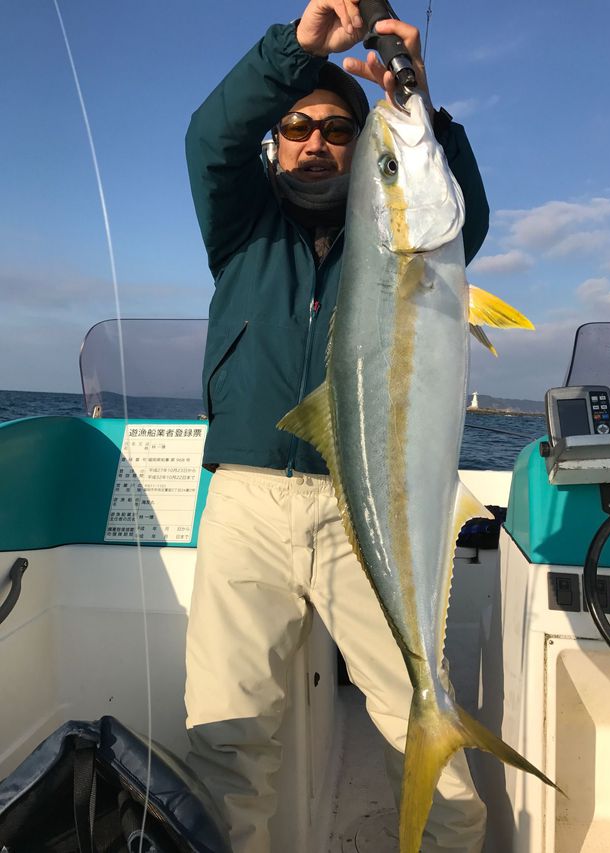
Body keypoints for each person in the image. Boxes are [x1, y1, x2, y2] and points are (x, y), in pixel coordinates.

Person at [184, 2, 490, 851]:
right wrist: (294, 50)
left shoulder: (402, 241)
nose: (315, 140)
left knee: (419, 717)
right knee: (227, 733)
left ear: (363, 153)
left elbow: (452, 211)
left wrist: (419, 101)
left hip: (364, 503)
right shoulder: (242, 228)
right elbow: (211, 141)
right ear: (275, 142)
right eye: (296, 127)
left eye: (338, 130)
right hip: (246, 499)